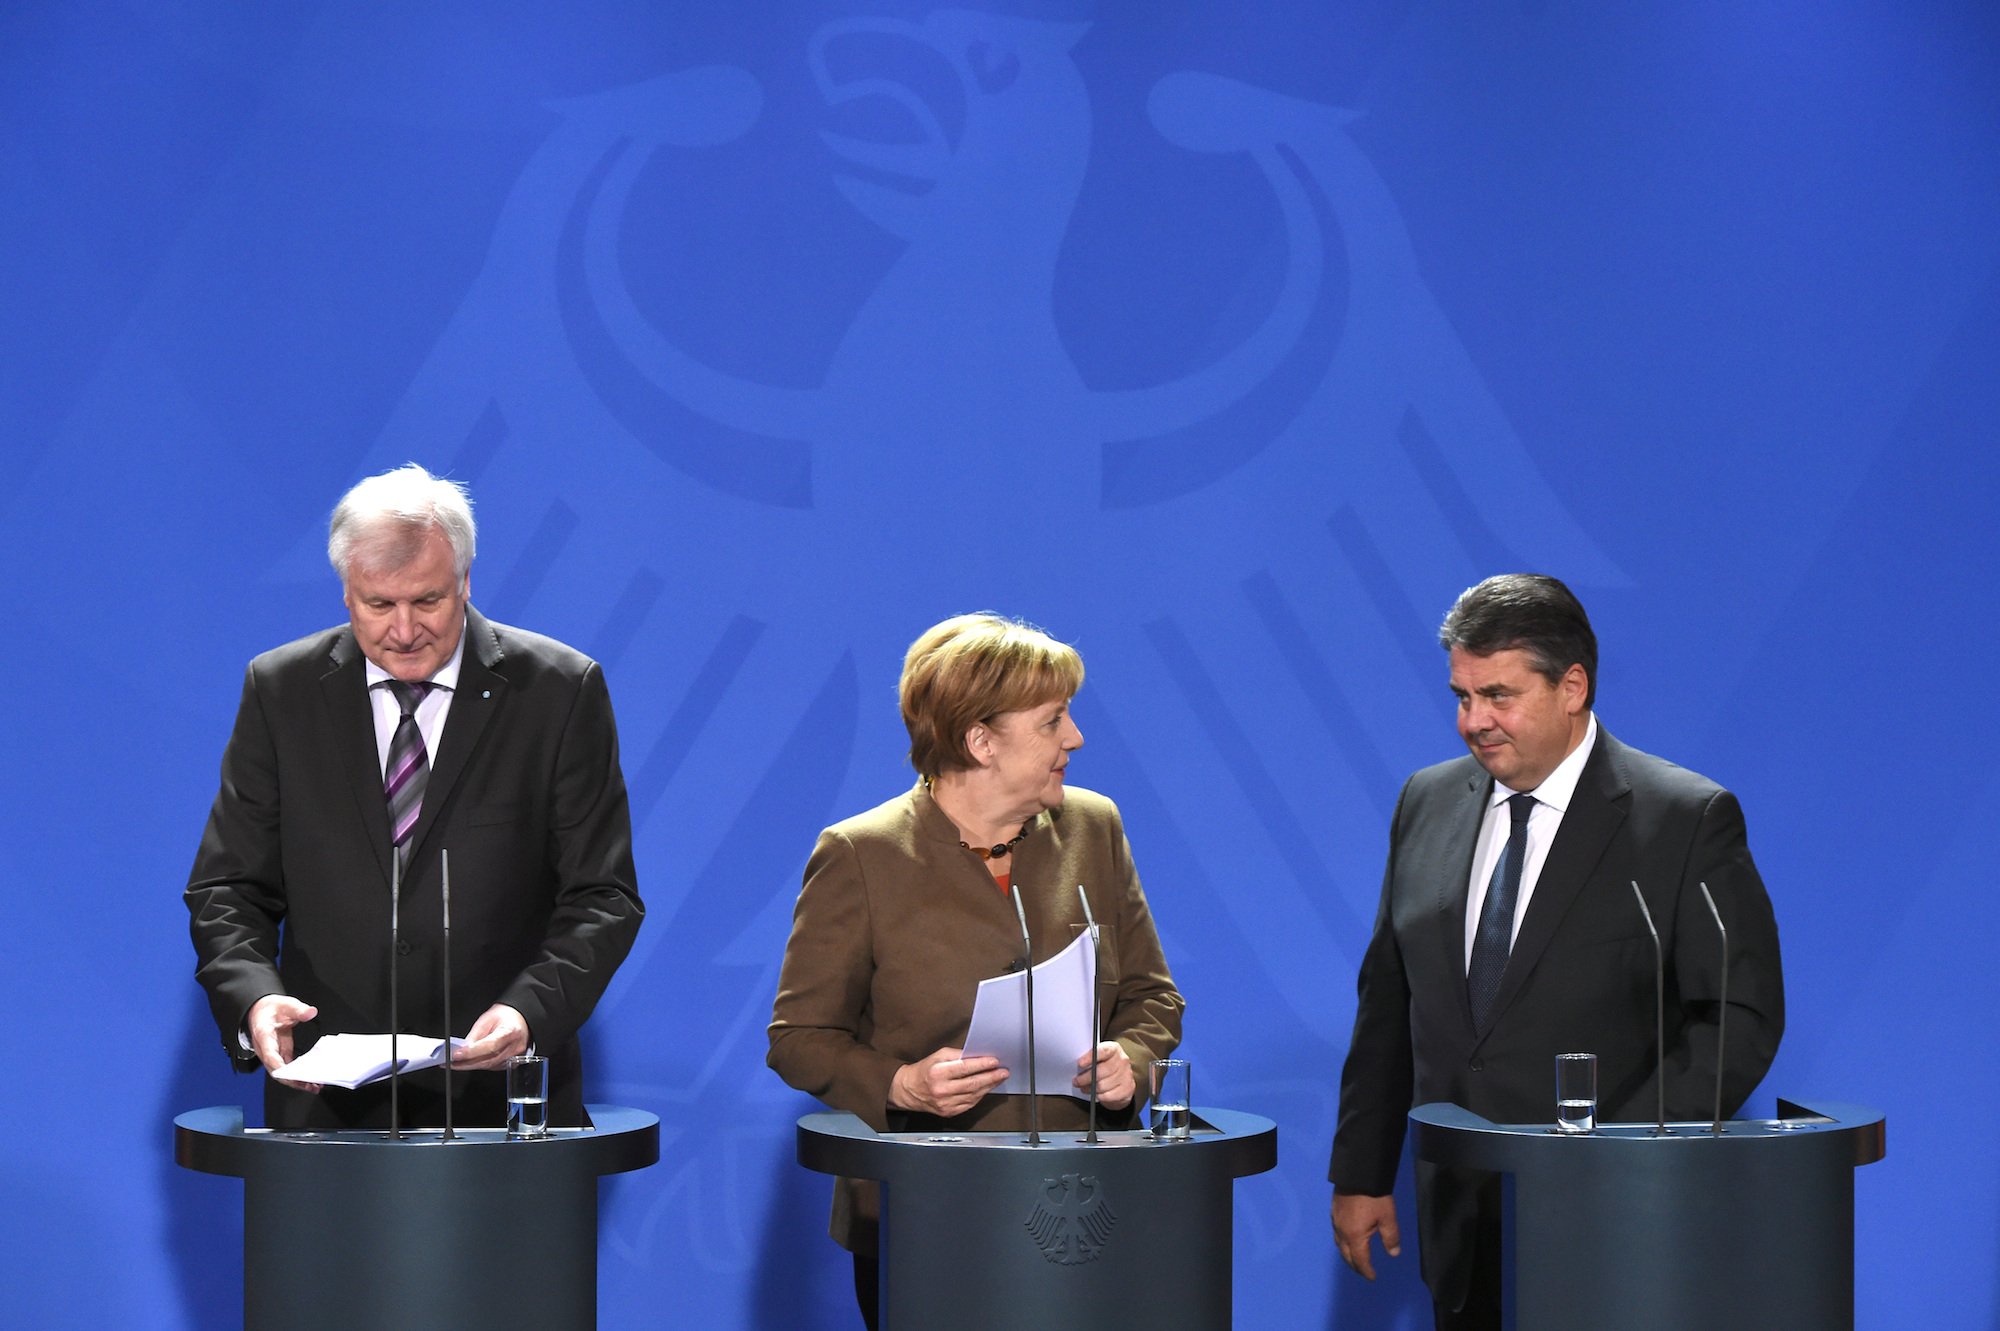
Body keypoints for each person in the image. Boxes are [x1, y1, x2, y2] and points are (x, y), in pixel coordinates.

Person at [1329, 574, 1783, 1330]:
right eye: (1461, 695)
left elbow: (1739, 1016)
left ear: (1572, 686)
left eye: (1498, 695)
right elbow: (1389, 1000)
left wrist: (1615, 1154)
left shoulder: (1684, 819)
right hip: (1460, 1221)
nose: (1472, 721)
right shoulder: (1426, 801)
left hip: (1615, 1225)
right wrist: (1361, 1173)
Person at [185, 464, 644, 1130]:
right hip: (325, 1109)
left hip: (502, 1110)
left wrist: (527, 1013)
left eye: (427, 600)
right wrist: (254, 998)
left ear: (465, 581)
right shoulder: (281, 691)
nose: (403, 630)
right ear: (346, 592)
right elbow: (229, 887)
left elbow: (604, 895)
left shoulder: (558, 693)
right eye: (379, 604)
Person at [768, 614, 1185, 1330]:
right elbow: (799, 1036)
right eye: (1054, 720)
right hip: (928, 1206)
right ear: (980, 741)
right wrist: (902, 1084)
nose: (1075, 738)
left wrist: (1135, 1059)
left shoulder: (1095, 826)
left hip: (1085, 1203)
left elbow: (1152, 995)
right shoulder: (859, 854)